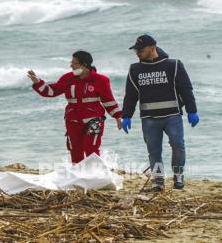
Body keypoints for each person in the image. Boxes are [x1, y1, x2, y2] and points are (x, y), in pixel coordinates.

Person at [122, 34, 199, 191]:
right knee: (154, 151)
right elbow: (131, 95)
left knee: (178, 145)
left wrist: (192, 111)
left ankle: (178, 175)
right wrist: (126, 116)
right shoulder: (135, 69)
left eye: (140, 50)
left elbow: (186, 89)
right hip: (149, 119)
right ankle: (158, 182)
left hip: (172, 116)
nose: (137, 53)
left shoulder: (174, 65)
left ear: (152, 48)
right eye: (135, 50)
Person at [28, 50, 122, 163]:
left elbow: (109, 101)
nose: (71, 65)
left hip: (95, 120)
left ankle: (94, 175)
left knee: (91, 149)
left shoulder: (101, 80)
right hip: (72, 120)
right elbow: (52, 91)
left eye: (74, 63)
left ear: (84, 65)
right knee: (75, 150)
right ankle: (78, 176)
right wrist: (38, 82)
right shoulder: (67, 78)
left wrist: (118, 117)